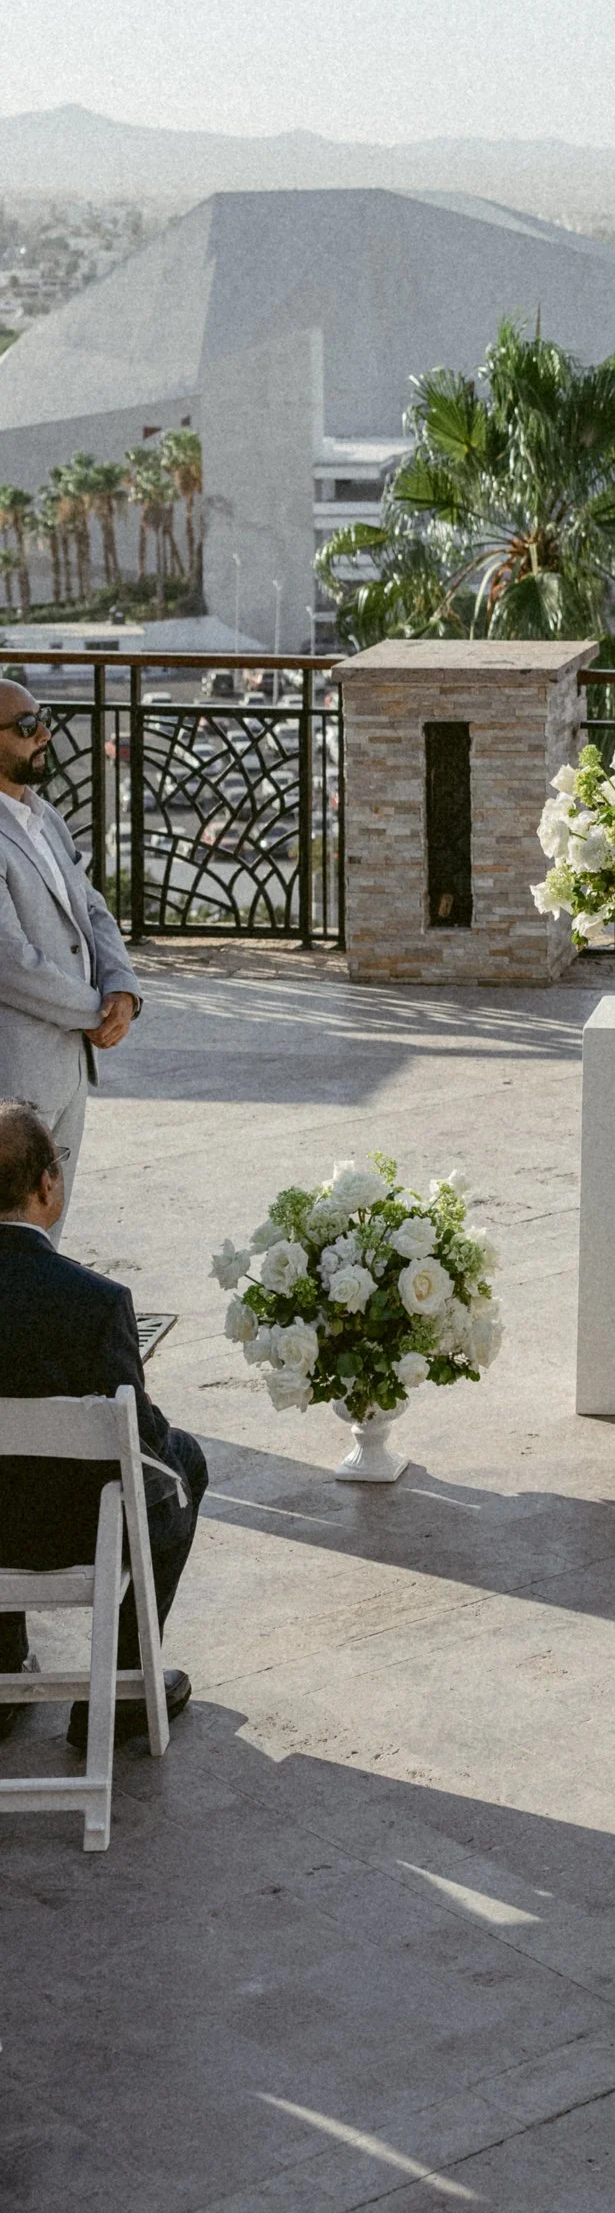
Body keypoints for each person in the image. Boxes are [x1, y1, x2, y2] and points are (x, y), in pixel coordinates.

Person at [0, 1098, 200, 1746]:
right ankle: (120, 1691)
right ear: (46, 1185)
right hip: (72, 1535)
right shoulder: (98, 1303)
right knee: (183, 1463)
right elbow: (142, 1447)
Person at [0, 678, 141, 1226]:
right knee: (12, 1247)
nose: (45, 736)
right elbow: (8, 960)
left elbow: (91, 907)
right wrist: (94, 1013)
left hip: (67, 1072)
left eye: (43, 721)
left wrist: (122, 989)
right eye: (26, 727)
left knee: (48, 1244)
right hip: (13, 1077)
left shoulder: (43, 816)